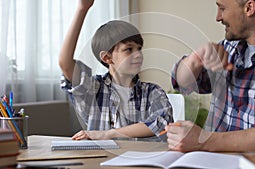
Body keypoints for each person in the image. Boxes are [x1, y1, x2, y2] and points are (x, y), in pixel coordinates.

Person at [167, 0, 255, 152]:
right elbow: (183, 83)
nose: (218, 17)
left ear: (249, 8)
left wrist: (205, 141)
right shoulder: (228, 49)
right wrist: (194, 60)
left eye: (222, 8)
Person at [59, 0, 173, 140]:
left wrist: (108, 134)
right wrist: (82, 9)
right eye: (129, 49)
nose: (138, 54)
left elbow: (161, 122)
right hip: (101, 160)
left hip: (141, 160)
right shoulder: (94, 89)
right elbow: (65, 63)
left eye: (139, 49)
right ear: (107, 58)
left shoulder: (152, 92)